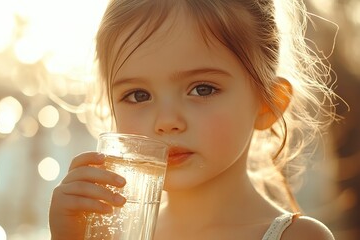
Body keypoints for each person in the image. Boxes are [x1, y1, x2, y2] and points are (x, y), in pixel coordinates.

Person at [49, 0, 339, 239]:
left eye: (202, 89)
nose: (166, 121)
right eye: (138, 95)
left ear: (268, 104)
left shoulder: (298, 237)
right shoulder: (115, 233)